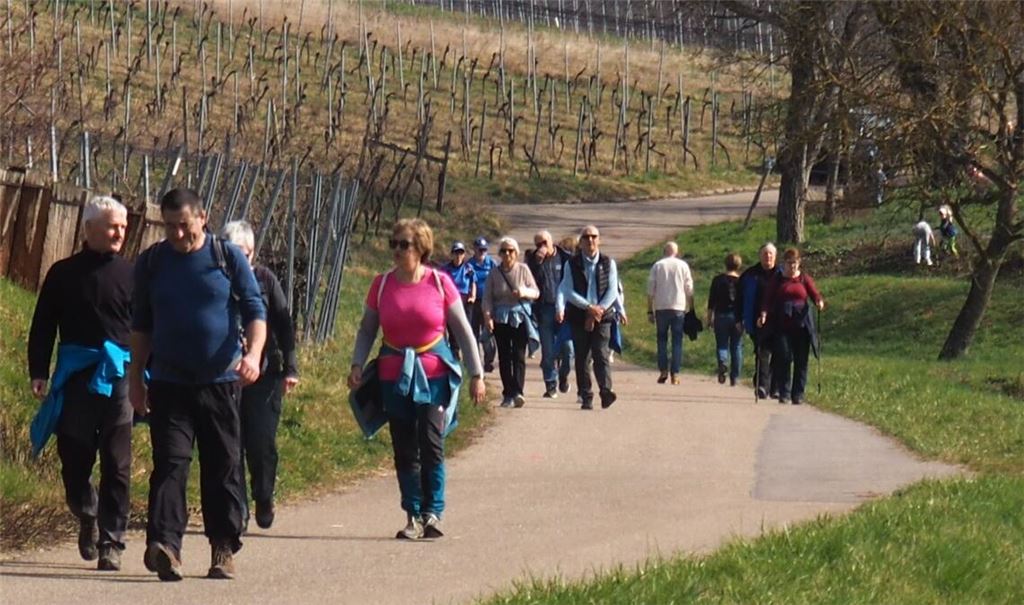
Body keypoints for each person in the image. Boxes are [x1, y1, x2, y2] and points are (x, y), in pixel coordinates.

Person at [130, 188, 267, 581]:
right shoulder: (153, 262)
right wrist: (136, 376)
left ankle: (222, 547)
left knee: (222, 466)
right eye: (169, 226)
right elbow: (141, 323)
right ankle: (165, 546)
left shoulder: (227, 258)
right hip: (169, 382)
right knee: (170, 464)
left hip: (221, 381)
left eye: (184, 226)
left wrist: (254, 355)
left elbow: (255, 309)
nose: (176, 235)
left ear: (203, 218)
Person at [348, 219, 485, 540]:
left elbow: (463, 330)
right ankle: (412, 515)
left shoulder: (439, 283)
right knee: (404, 447)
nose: (397, 250)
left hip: (435, 375)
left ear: (421, 248)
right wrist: (356, 363)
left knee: (431, 443)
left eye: (404, 245)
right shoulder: (381, 284)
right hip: (393, 377)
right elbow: (368, 329)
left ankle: (433, 512)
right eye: (393, 244)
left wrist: (477, 375)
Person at [27, 196, 133, 572]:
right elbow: (43, 325)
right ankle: (86, 512)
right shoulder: (62, 273)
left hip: (119, 376)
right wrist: (38, 370)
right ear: (88, 229)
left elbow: (145, 330)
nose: (119, 231)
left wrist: (146, 377)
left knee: (117, 464)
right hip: (76, 376)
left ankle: (112, 541)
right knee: (73, 458)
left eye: (122, 225)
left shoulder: (132, 274)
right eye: (111, 225)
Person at [222, 221, 299, 531]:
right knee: (230, 445)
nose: (238, 261)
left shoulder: (265, 280)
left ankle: (263, 495)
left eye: (243, 254)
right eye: (232, 254)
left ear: (252, 253)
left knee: (261, 442)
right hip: (224, 377)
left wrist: (291, 367)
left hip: (264, 375)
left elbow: (283, 323)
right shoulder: (215, 281)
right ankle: (237, 508)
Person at [556, 225, 620, 410]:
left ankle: (606, 391)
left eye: (594, 237)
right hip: (579, 315)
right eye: (586, 237)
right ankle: (586, 395)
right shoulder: (572, 264)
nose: (590, 240)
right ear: (581, 242)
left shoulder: (608, 263)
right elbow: (567, 289)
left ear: (599, 240)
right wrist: (588, 307)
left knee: (601, 354)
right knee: (582, 357)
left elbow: (612, 291)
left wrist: (599, 309)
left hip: (603, 317)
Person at [758, 248, 825, 406]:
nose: (792, 267)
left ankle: (798, 394)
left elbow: (814, 293)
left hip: (801, 325)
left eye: (794, 263)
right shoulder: (778, 279)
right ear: (784, 263)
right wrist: (764, 314)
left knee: (801, 360)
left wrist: (819, 302)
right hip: (782, 324)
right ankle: (784, 393)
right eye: (789, 263)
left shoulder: (804, 279)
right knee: (784, 358)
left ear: (799, 263)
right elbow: (767, 299)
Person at [483, 237, 540, 407]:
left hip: (519, 318)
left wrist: (523, 291)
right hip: (500, 319)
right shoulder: (494, 273)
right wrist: (487, 317)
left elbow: (536, 292)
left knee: (519, 355)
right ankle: (507, 393)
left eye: (511, 251)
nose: (507, 254)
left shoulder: (523, 269)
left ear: (516, 253)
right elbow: (487, 298)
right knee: (504, 357)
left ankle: (518, 392)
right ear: (500, 254)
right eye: (504, 251)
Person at [525, 230, 571, 398]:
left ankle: (564, 376)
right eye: (538, 244)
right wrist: (536, 263)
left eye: (544, 243)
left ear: (552, 242)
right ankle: (550, 384)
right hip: (544, 310)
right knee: (548, 351)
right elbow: (529, 283)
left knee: (568, 349)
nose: (542, 247)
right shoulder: (533, 261)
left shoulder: (566, 258)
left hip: (564, 310)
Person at [645, 242, 694, 385]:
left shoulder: (658, 265)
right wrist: (691, 308)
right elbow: (689, 288)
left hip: (661, 307)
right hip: (678, 307)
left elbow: (650, 289)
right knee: (677, 341)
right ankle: (675, 373)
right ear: (677, 252)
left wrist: (649, 309)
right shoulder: (683, 266)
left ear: (664, 251)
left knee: (661, 340)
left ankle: (663, 370)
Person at [739, 242, 779, 400]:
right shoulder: (749, 275)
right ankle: (762, 385)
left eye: (770, 254)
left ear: (775, 257)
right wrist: (738, 318)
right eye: (765, 254)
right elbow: (739, 299)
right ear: (760, 256)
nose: (767, 257)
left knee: (778, 354)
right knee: (762, 353)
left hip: (778, 321)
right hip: (756, 321)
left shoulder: (781, 274)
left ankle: (774, 387)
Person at [707, 253, 744, 386]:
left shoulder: (717, 280)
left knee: (722, 344)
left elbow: (711, 301)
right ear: (739, 265)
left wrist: (709, 317)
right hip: (737, 317)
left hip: (721, 316)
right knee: (737, 346)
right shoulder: (742, 281)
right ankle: (735, 376)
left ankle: (722, 362)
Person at [468, 236, 498, 373]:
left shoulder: (491, 263)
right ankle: (475, 362)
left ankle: (488, 361)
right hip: (474, 303)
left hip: (488, 302)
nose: (482, 252)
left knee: (488, 333)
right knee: (473, 333)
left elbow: (499, 278)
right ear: (474, 249)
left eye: (484, 249)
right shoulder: (468, 264)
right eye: (480, 249)